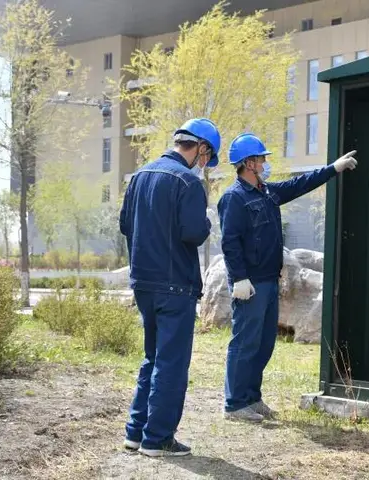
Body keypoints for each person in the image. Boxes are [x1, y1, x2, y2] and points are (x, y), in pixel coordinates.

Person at [218, 133, 357, 422]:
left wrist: (333, 168)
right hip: (250, 284)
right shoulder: (234, 198)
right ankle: (234, 404)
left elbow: (299, 184)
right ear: (248, 163)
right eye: (261, 159)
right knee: (245, 342)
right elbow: (230, 242)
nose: (265, 163)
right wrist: (239, 279)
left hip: (269, 280)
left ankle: (251, 398)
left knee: (264, 342)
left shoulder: (266, 193)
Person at [119, 118, 221, 457]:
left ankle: (135, 433)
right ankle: (158, 438)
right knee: (172, 364)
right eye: (207, 156)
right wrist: (206, 220)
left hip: (143, 282)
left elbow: (124, 225)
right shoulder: (188, 183)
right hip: (175, 284)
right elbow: (193, 232)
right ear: (201, 148)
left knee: (152, 357)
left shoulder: (139, 177)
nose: (204, 164)